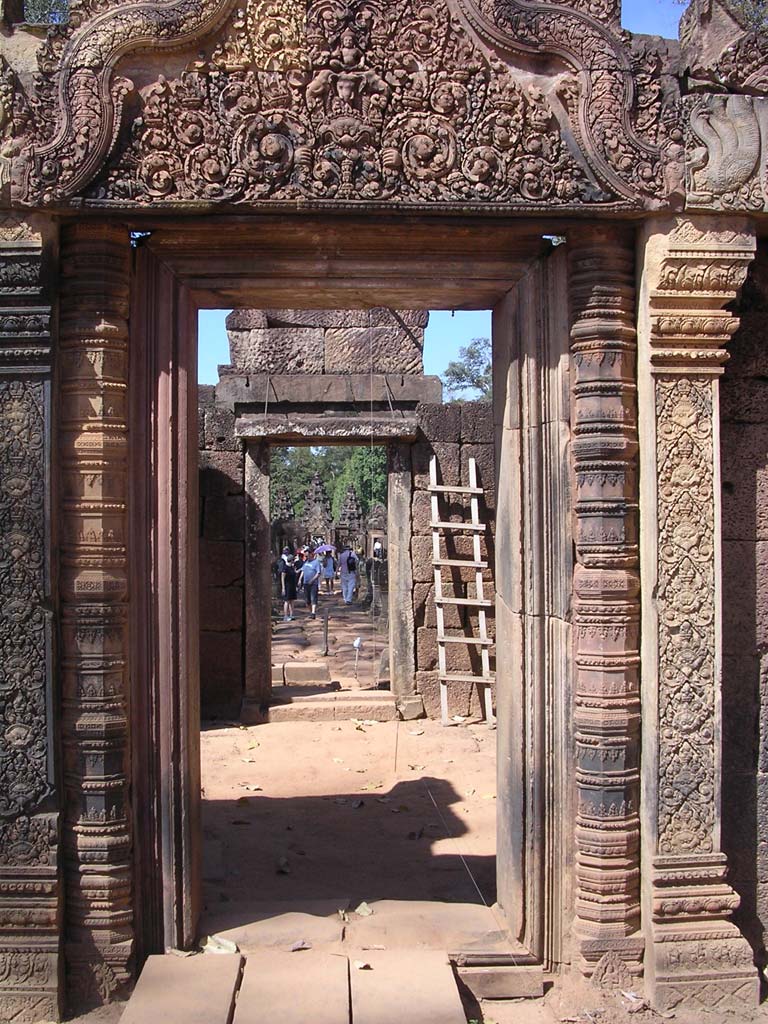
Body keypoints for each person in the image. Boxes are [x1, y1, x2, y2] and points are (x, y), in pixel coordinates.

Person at [300, 546, 323, 619]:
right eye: (305, 556)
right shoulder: (305, 563)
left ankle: (313, 612)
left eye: (307, 555)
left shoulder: (316, 562)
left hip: (313, 584)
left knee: (313, 598)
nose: (306, 557)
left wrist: (312, 580)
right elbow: (303, 571)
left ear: (311, 554)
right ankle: (311, 612)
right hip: (305, 583)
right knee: (307, 600)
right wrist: (300, 579)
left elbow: (318, 573)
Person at [279, 547, 298, 622]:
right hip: (287, 586)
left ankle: (292, 614)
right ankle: (285, 615)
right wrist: (283, 588)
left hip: (292, 586)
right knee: (287, 601)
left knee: (292, 601)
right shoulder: (285, 568)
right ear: (291, 560)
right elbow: (282, 578)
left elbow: (294, 575)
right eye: (293, 560)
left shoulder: (292, 568)